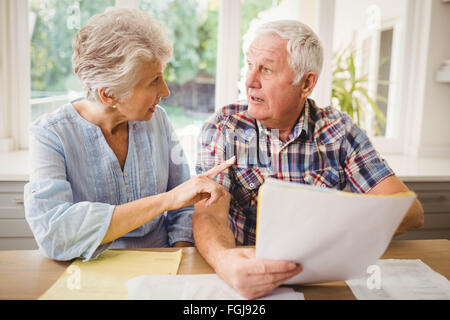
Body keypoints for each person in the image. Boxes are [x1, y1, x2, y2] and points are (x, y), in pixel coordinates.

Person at [194, 20, 424, 299]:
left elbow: (409, 210)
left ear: (306, 83)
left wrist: (328, 238)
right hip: (245, 281)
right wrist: (223, 260)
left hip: (320, 283)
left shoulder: (339, 131)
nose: (250, 80)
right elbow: (209, 214)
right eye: (249, 64)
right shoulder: (224, 127)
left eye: (266, 69)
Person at [24, 7, 233, 262]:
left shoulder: (158, 120)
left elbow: (183, 206)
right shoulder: (50, 135)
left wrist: (179, 261)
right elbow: (55, 233)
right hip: (88, 271)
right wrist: (166, 201)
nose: (165, 91)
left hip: (161, 266)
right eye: (154, 80)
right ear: (109, 94)